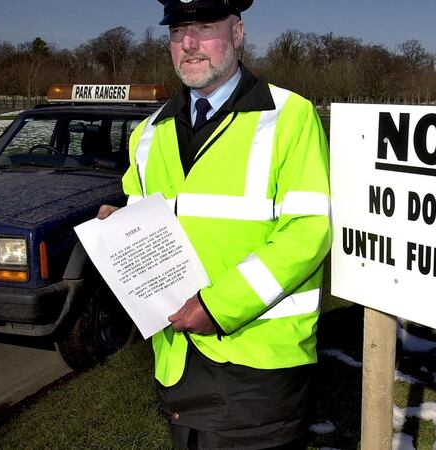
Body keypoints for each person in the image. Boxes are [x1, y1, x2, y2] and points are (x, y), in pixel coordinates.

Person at [98, 0, 331, 447]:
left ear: (237, 34)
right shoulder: (148, 133)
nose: (189, 42)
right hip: (176, 361)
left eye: (205, 26)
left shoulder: (289, 116)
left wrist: (218, 307)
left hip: (258, 368)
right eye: (178, 30)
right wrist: (118, 226)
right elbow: (150, 219)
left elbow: (308, 231)